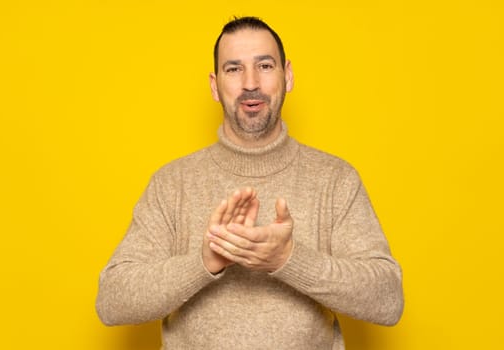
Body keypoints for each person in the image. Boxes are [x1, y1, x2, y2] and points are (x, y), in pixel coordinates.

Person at [96, 16, 404, 349]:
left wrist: (289, 259)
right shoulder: (172, 184)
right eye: (233, 69)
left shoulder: (336, 180)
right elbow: (112, 302)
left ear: (287, 76)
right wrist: (204, 261)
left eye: (265, 66)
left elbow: (387, 300)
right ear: (215, 86)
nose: (250, 83)